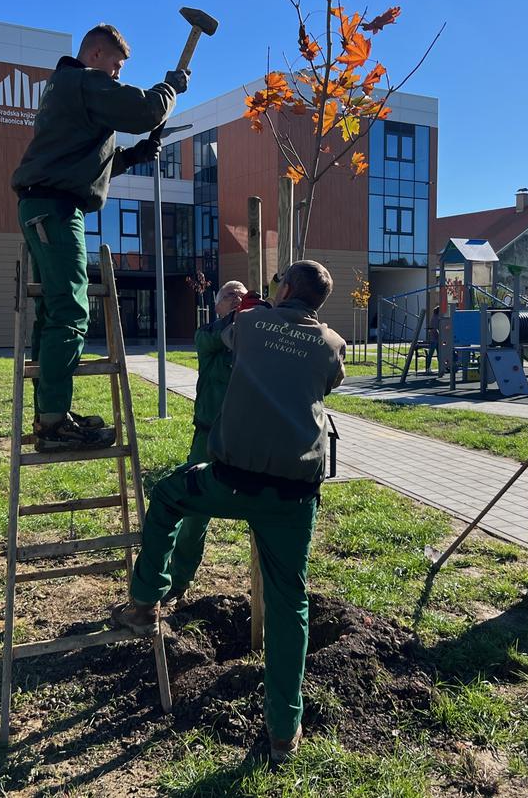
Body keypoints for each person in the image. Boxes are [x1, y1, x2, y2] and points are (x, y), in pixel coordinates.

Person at [112, 260, 346, 762]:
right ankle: (284, 731)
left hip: (230, 481)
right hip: (293, 495)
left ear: (283, 288)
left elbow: (226, 337)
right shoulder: (332, 343)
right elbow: (326, 384)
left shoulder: (249, 323)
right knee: (289, 603)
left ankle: (146, 601)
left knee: (170, 495)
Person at [11, 23, 189, 452]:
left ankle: (49, 415)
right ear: (94, 56)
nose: (117, 75)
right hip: (54, 209)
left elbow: (80, 161)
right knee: (72, 310)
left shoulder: (68, 91)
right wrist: (170, 88)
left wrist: (132, 157)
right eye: (116, 66)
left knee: (56, 310)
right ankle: (53, 423)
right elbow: (145, 111)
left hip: (48, 205)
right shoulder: (81, 80)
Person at [161, 279, 247, 607]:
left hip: (247, 439)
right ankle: (177, 578)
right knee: (194, 508)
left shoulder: (254, 334)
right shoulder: (207, 334)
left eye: (242, 296)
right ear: (216, 305)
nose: (237, 300)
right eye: (229, 296)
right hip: (208, 436)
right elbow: (218, 337)